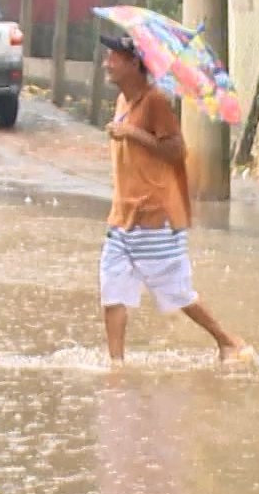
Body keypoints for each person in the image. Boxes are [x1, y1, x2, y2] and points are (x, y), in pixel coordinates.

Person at [98, 33, 250, 366]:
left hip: (154, 219)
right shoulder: (124, 101)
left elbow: (177, 150)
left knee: (177, 294)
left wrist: (133, 134)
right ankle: (116, 366)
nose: (107, 63)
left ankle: (228, 342)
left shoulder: (156, 102)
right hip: (122, 218)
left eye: (114, 57)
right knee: (112, 293)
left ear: (134, 63)